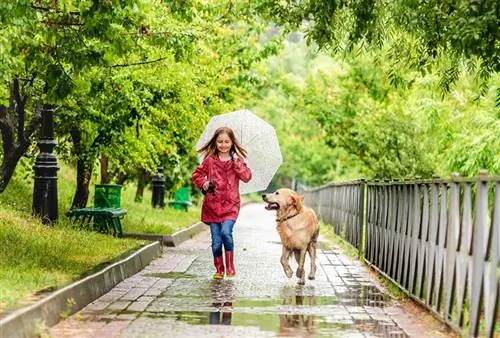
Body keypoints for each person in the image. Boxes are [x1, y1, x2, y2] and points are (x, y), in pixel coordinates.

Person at [192, 126, 252, 279]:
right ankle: (219, 269)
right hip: (212, 206)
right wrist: (204, 183)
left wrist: (237, 163)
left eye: (226, 141)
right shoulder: (210, 160)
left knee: (226, 233)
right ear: (215, 142)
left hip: (230, 206)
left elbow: (246, 177)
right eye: (220, 142)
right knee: (216, 242)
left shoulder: (237, 161)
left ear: (232, 142)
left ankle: (230, 267)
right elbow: (197, 175)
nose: (223, 144)